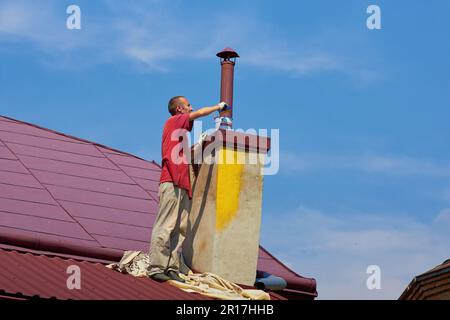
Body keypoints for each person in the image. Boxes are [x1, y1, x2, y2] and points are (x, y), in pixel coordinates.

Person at [148, 96, 228, 282]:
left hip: (183, 185)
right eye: (188, 105)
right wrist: (219, 107)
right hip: (171, 182)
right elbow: (198, 114)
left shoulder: (181, 136)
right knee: (166, 225)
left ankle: (172, 267)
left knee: (180, 228)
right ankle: (157, 267)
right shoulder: (173, 121)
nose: (191, 107)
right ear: (179, 110)